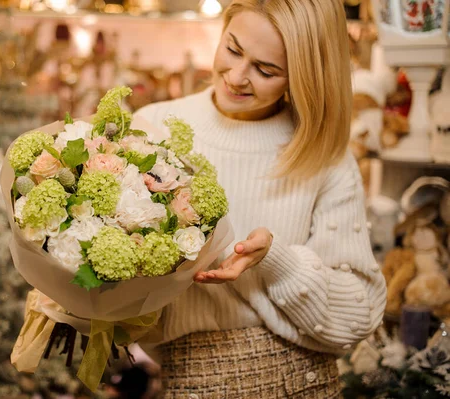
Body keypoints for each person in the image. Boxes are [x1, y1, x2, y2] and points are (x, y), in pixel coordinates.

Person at [133, 0, 387, 397]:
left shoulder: (324, 156)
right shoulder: (153, 127)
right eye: (233, 49)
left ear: (304, 78)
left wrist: (277, 261)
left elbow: (359, 316)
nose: (236, 77)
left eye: (266, 70)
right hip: (191, 379)